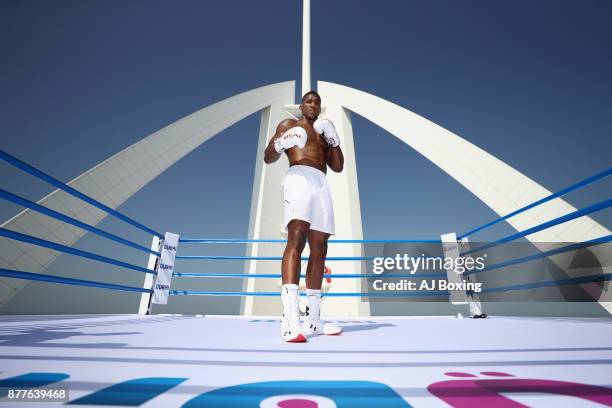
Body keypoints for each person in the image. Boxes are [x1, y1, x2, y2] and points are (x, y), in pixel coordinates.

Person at [264, 91, 344, 342]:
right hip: (298, 177)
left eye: (317, 102)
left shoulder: (322, 133)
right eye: (309, 101)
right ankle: (289, 320)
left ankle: (314, 320)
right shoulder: (289, 125)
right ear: (301, 105)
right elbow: (268, 157)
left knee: (320, 247)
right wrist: (280, 142)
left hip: (321, 183)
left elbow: (338, 166)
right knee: (296, 237)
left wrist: (334, 140)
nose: (313, 105)